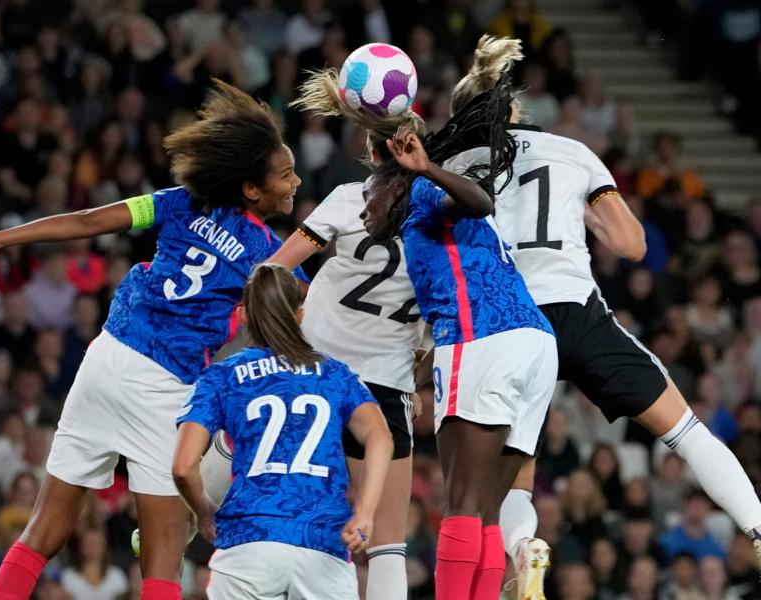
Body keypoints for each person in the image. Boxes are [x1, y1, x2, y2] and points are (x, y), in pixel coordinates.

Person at [443, 35, 761, 598]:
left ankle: (523, 549)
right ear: (514, 108)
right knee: (685, 430)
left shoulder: (453, 166)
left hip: (507, 322)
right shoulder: (572, 152)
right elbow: (632, 245)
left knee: (515, 470)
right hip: (577, 312)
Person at [0, 79, 303, 600]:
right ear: (251, 189)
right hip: (163, 389)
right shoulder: (268, 252)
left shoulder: (180, 202)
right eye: (285, 174)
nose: (295, 181)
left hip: (105, 361)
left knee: (42, 533)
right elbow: (307, 311)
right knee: (161, 565)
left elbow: (88, 220)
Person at [360, 79, 558, 599]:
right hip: (534, 342)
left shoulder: (424, 192)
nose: (363, 211)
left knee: (462, 503)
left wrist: (423, 168)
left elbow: (479, 200)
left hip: (483, 338)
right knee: (489, 509)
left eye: (368, 195)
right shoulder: (423, 226)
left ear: (393, 185)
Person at [266, 68, 426, 600]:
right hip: (384, 388)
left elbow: (277, 268)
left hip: (314, 370)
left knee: (280, 503)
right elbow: (434, 324)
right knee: (387, 545)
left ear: (370, 147)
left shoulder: (347, 197)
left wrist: (274, 325)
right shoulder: (437, 223)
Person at [172, 264, 392, 599]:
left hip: (248, 542)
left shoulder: (220, 377)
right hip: (323, 545)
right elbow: (380, 437)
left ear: (243, 316)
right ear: (300, 315)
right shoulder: (335, 375)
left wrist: (204, 513)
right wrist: (365, 513)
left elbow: (183, 467)